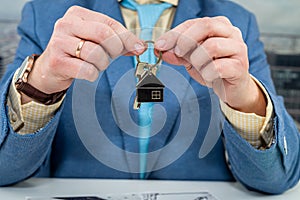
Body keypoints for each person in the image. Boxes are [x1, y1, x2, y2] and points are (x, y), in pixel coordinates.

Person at [0, 0, 299, 194]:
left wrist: (244, 97)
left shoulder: (235, 22)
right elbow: (5, 169)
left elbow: (276, 179)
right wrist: (40, 83)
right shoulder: (49, 15)